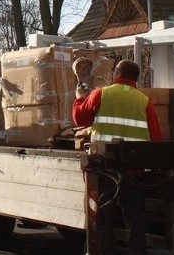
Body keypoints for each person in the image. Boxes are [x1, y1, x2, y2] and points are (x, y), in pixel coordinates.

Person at [73, 59, 162, 255]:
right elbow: (156, 139)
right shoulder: (144, 101)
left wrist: (80, 97)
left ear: (116, 75)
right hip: (134, 171)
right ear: (136, 79)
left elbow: (80, 119)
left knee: (104, 219)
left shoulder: (101, 94)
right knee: (135, 221)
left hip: (105, 170)